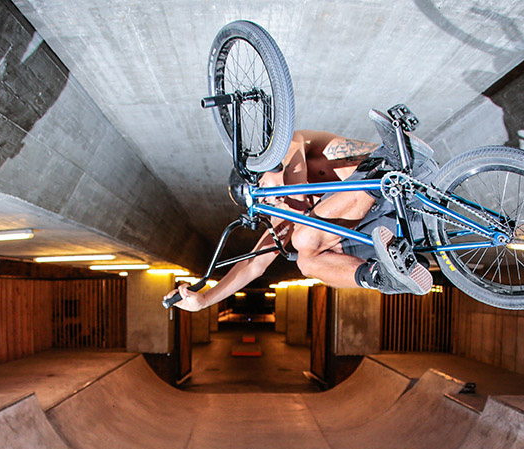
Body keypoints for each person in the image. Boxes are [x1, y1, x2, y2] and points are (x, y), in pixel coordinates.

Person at [166, 112, 436, 312]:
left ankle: (392, 159)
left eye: (263, 194)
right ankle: (383, 277)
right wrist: (204, 300)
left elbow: (296, 191)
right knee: (306, 263)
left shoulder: (293, 148)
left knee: (303, 239)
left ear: (261, 174)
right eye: (266, 205)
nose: (273, 203)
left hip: (401, 184)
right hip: (395, 227)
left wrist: (287, 218)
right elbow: (254, 264)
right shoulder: (284, 209)